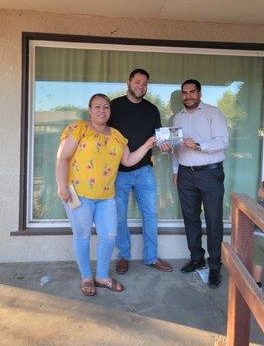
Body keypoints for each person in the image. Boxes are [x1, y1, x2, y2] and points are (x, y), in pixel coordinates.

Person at [56, 93, 156, 296]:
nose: (102, 111)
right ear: (90, 110)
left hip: (106, 196)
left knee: (110, 235)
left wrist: (146, 145)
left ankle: (102, 276)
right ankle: (86, 277)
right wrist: (62, 187)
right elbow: (62, 158)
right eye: (97, 107)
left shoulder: (117, 135)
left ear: (110, 111)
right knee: (82, 236)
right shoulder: (78, 129)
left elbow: (127, 160)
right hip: (79, 193)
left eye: (106, 107)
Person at [109, 68, 173, 274]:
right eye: (137, 82)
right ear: (128, 83)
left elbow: (159, 138)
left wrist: (164, 145)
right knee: (119, 216)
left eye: (145, 84)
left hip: (144, 170)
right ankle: (124, 255)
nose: (141, 87)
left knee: (150, 215)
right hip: (119, 172)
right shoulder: (114, 106)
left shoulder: (152, 110)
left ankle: (151, 257)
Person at [172, 79, 228, 288]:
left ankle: (215, 266)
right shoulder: (177, 117)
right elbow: (176, 147)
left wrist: (198, 146)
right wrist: (176, 170)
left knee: (213, 219)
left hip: (210, 173)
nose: (188, 96)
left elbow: (223, 141)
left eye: (192, 92)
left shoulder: (213, 113)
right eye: (184, 93)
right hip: (185, 174)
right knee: (190, 217)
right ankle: (196, 258)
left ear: (199, 93)